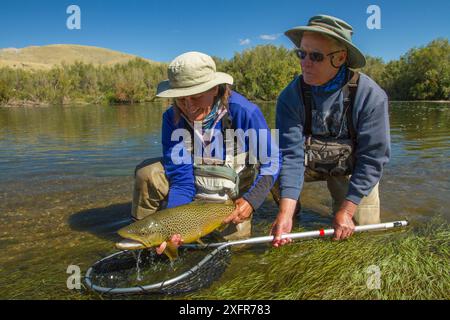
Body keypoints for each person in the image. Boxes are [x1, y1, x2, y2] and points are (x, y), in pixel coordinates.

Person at [132, 51, 279, 253]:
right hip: (195, 187)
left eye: (196, 97)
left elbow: (272, 161)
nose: (189, 107)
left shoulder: (244, 112)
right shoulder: (172, 119)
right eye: (181, 100)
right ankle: (142, 237)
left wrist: (252, 201)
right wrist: (174, 223)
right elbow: (181, 179)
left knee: (236, 250)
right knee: (148, 173)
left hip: (233, 196)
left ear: (215, 89)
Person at [271, 15, 390, 246]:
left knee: (362, 237)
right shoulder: (290, 97)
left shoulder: (370, 96)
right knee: (267, 164)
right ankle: (291, 217)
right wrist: (285, 214)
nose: (305, 62)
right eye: (301, 54)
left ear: (340, 58)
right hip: (309, 161)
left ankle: (343, 205)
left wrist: (346, 210)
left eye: (315, 56)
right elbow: (291, 156)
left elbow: (373, 158)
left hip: (352, 166)